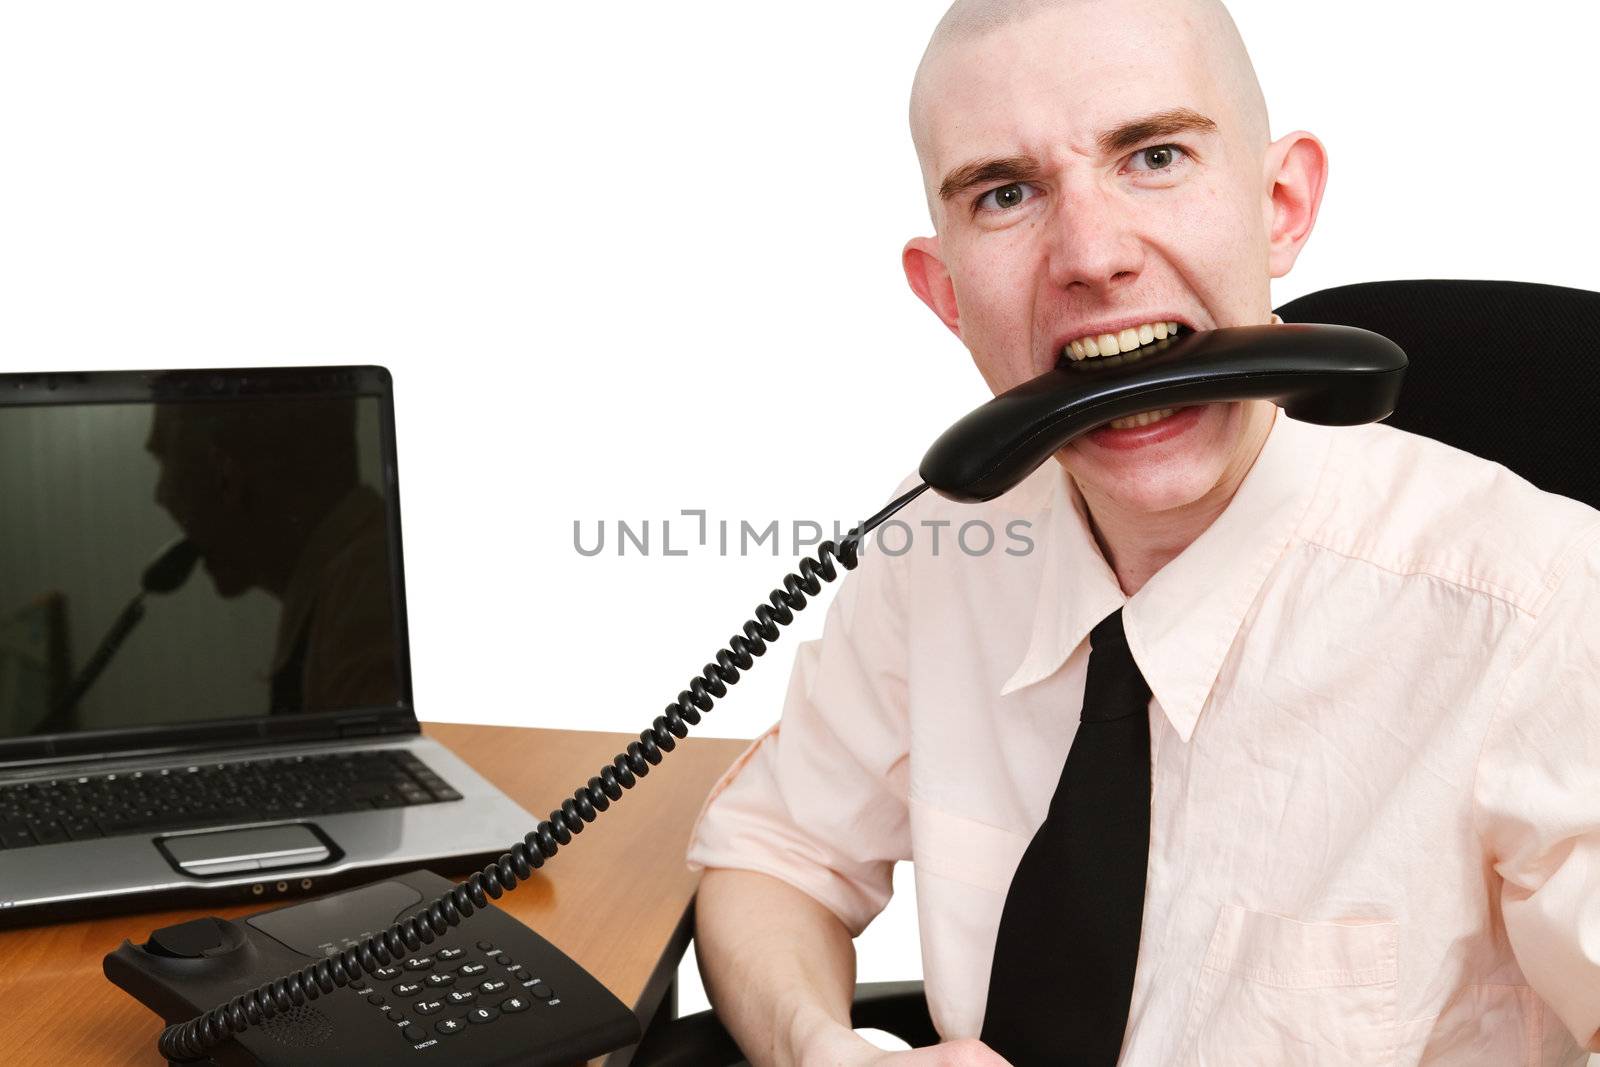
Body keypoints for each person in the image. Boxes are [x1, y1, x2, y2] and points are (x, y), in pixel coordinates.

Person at [685, 0, 1600, 1063]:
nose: (1091, 253)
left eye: (1153, 155)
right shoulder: (940, 542)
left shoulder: (1537, 604)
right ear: (945, 292)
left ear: (1280, 203)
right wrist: (815, 1044)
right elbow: (776, 853)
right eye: (1006, 192)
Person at [146, 395, 400, 714]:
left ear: (227, 476)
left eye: (163, 458)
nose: (160, 495)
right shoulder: (355, 582)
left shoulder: (364, 607)